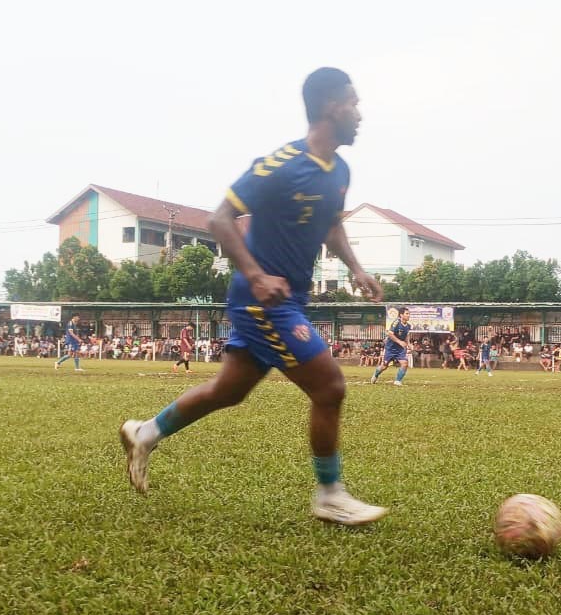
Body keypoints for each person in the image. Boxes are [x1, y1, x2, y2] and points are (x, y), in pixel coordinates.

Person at [119, 67, 387, 525]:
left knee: (229, 390)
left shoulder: (339, 170)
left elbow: (331, 224)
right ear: (330, 106)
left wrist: (357, 268)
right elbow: (219, 219)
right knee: (330, 387)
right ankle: (329, 494)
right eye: (354, 103)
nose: (360, 114)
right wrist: (258, 275)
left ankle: (146, 432)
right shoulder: (280, 164)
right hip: (262, 299)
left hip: (290, 298)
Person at [371, 306, 411, 387]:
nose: (409, 315)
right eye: (407, 314)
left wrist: (409, 344)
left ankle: (397, 381)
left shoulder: (408, 326)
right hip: (390, 348)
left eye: (409, 314)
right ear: (401, 315)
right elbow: (390, 334)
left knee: (405, 363)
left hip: (400, 349)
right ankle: (375, 375)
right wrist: (400, 342)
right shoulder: (396, 323)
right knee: (384, 366)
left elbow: (406, 335)